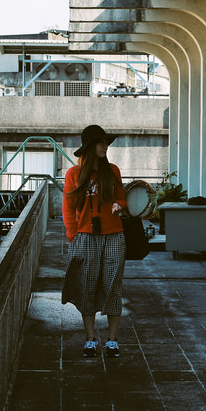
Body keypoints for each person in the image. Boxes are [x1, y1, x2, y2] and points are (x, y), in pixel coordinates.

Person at [61, 124, 127, 357]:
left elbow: (122, 198)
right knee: (87, 286)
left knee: (113, 285)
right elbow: (68, 209)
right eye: (100, 143)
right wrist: (73, 236)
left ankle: (112, 340)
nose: (105, 146)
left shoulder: (113, 171)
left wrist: (120, 205)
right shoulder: (73, 174)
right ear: (90, 147)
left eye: (105, 142)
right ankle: (90, 339)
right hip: (86, 236)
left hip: (114, 235)